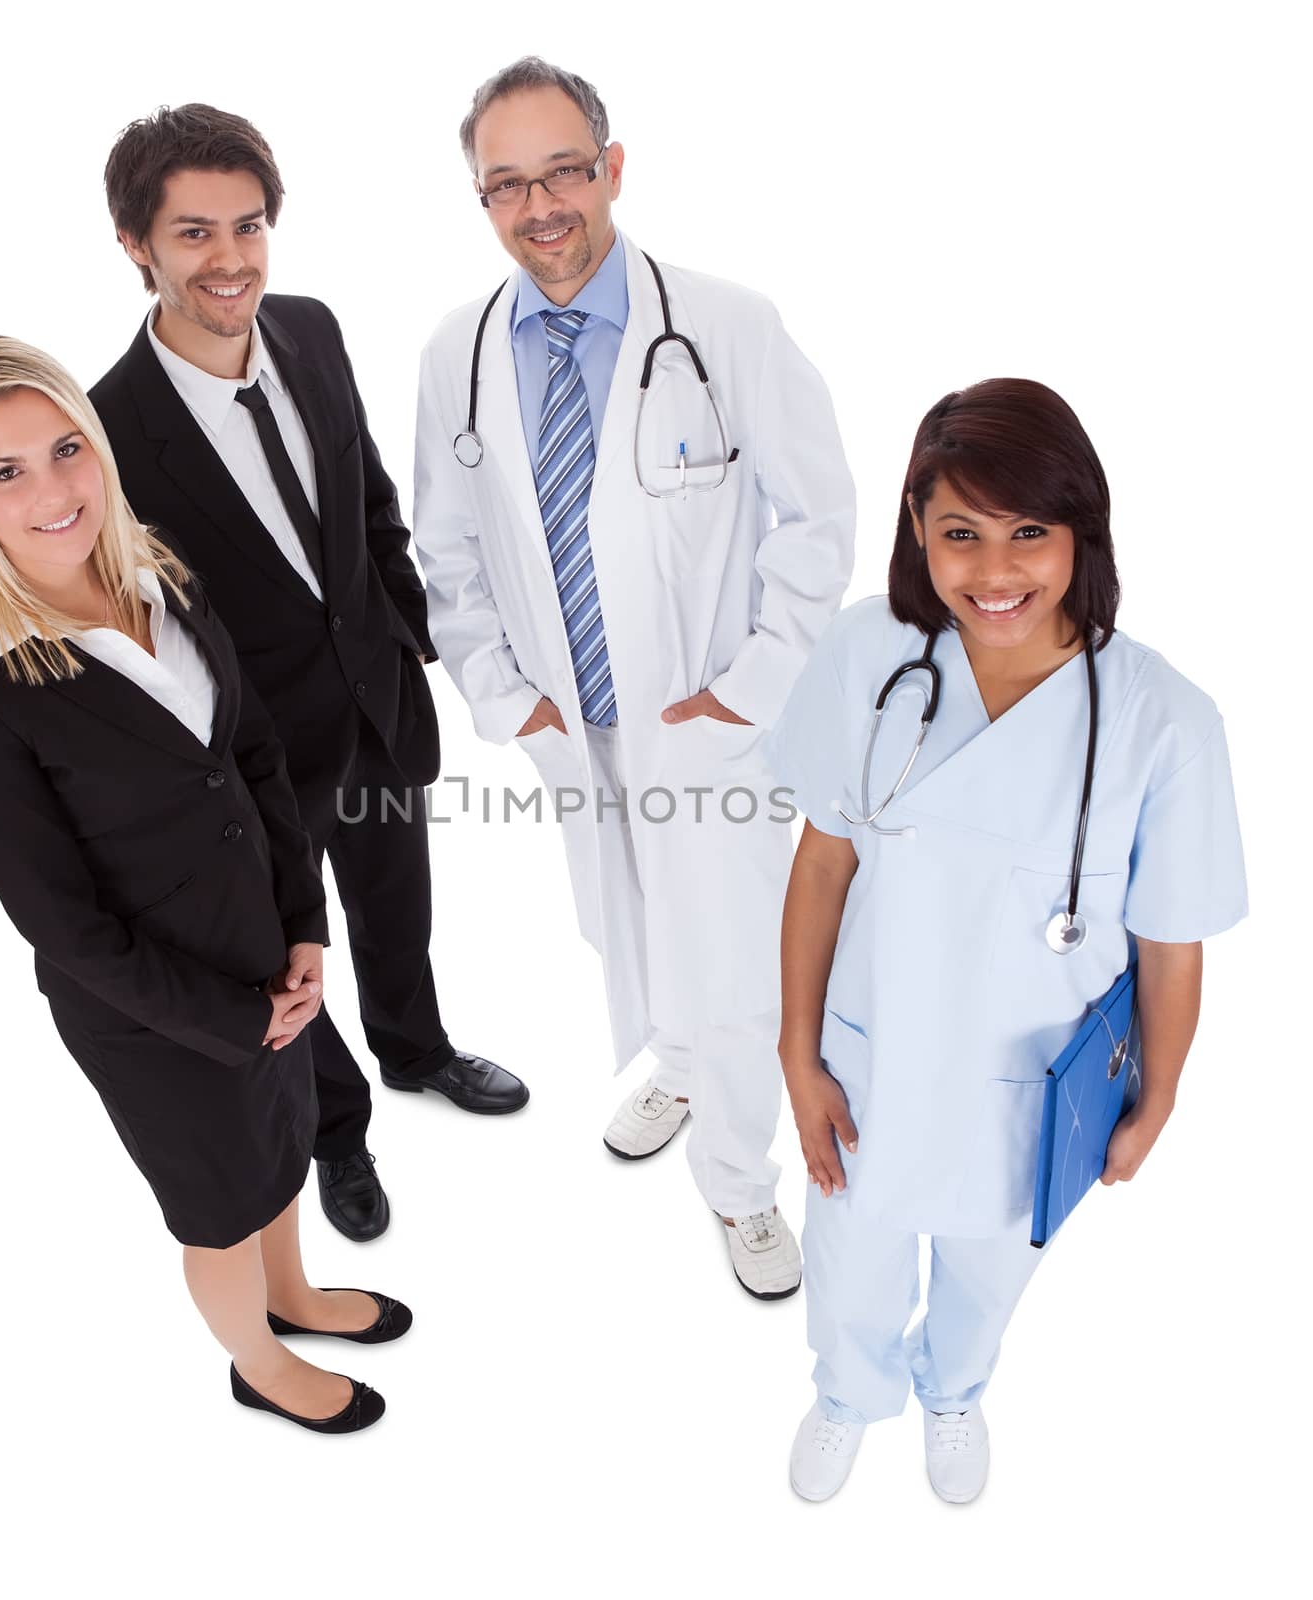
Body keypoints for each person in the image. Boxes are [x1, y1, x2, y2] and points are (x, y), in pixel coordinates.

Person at [414, 58, 855, 1296]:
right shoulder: (458, 353)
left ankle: (740, 1188)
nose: (542, 205)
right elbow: (443, 551)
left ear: (613, 167)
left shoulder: (726, 323)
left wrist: (754, 684)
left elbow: (817, 519)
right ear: (484, 201)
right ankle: (670, 1058)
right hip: (576, 722)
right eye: (508, 183)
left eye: (564, 170)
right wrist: (509, 698)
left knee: (731, 965)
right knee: (620, 920)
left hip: (704, 718)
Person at [0, 337, 411, 1434]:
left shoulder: (161, 570)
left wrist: (303, 929)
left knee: (281, 1148)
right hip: (159, 1018)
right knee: (222, 1206)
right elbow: (65, 926)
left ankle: (296, 1293)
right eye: (7, 472)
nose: (53, 491)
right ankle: (257, 1360)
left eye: (65, 449)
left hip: (265, 958)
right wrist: (237, 1017)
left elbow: (256, 754)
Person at [769, 377, 1248, 1502]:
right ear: (917, 534)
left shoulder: (1163, 720)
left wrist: (1159, 1097)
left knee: (991, 1272)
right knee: (849, 1269)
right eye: (961, 533)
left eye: (1030, 532)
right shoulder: (868, 651)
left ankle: (954, 1392)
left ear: (1083, 529)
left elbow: (1170, 941)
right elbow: (823, 858)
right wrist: (796, 1052)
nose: (996, 572)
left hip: (1031, 1084)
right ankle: (849, 1395)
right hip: (869, 1054)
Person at [90, 104, 527, 1245]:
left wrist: (423, 635)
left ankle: (419, 1049)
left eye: (248, 226)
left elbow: (368, 501)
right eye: (193, 234)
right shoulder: (107, 430)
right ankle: (339, 1131)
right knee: (293, 954)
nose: (229, 260)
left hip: (375, 708)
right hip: (253, 761)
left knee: (397, 909)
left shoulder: (313, 330)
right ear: (135, 245)